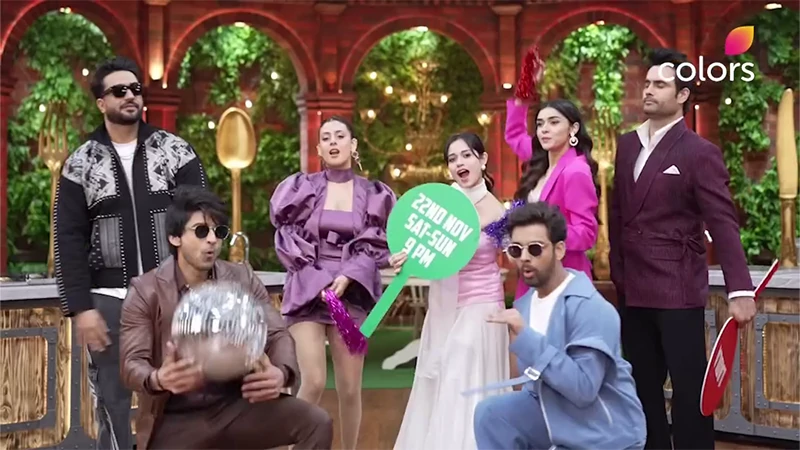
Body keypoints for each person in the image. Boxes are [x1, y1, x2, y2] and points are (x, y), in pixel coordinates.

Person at [54, 56, 207, 449]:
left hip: (172, 294)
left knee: (181, 397)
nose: (130, 96)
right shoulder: (81, 163)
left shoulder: (174, 150)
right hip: (109, 301)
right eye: (119, 90)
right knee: (113, 403)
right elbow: (68, 238)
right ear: (101, 102)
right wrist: (81, 308)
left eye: (136, 89)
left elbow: (202, 219)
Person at [609, 48, 757, 449]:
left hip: (678, 286)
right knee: (642, 388)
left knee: (690, 391)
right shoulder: (626, 145)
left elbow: (722, 222)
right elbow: (618, 213)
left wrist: (740, 289)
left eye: (660, 84)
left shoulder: (699, 151)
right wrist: (618, 273)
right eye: (647, 83)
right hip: (632, 287)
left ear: (682, 95)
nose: (649, 90)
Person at [119, 185, 333, 449]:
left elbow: (277, 334)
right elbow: (131, 363)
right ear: (175, 238)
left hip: (238, 405)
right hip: (176, 416)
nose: (212, 240)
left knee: (316, 422)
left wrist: (280, 372)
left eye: (218, 232)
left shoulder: (242, 277)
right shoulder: (146, 290)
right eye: (201, 231)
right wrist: (159, 378)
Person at [471, 201, 646, 450]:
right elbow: (526, 384)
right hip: (555, 418)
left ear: (560, 249)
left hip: (604, 434)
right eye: (516, 250)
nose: (525, 258)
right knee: (491, 414)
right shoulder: (525, 305)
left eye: (535, 249)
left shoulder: (592, 308)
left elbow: (583, 390)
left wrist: (527, 337)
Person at [269, 116, 396, 449]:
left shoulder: (373, 193)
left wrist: (348, 275)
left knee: (350, 388)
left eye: (340, 136)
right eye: (326, 138)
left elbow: (376, 243)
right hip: (308, 289)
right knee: (312, 380)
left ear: (353, 145)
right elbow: (288, 238)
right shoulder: (302, 188)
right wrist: (321, 281)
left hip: (350, 295)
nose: (333, 142)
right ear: (319, 148)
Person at [391, 132, 510, 450]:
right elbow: (422, 253)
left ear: (483, 160)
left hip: (482, 304)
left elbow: (515, 253)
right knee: (442, 379)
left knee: (462, 373)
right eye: (452, 159)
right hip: (445, 305)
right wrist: (403, 258)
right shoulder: (439, 205)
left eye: (466, 155)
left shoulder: (498, 211)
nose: (459, 163)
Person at [506, 97, 599, 299]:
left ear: (573, 129)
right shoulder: (541, 162)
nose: (544, 130)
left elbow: (586, 234)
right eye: (540, 124)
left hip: (563, 277)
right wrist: (520, 99)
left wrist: (542, 237)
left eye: (554, 122)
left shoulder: (576, 171)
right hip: (532, 276)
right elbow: (514, 136)